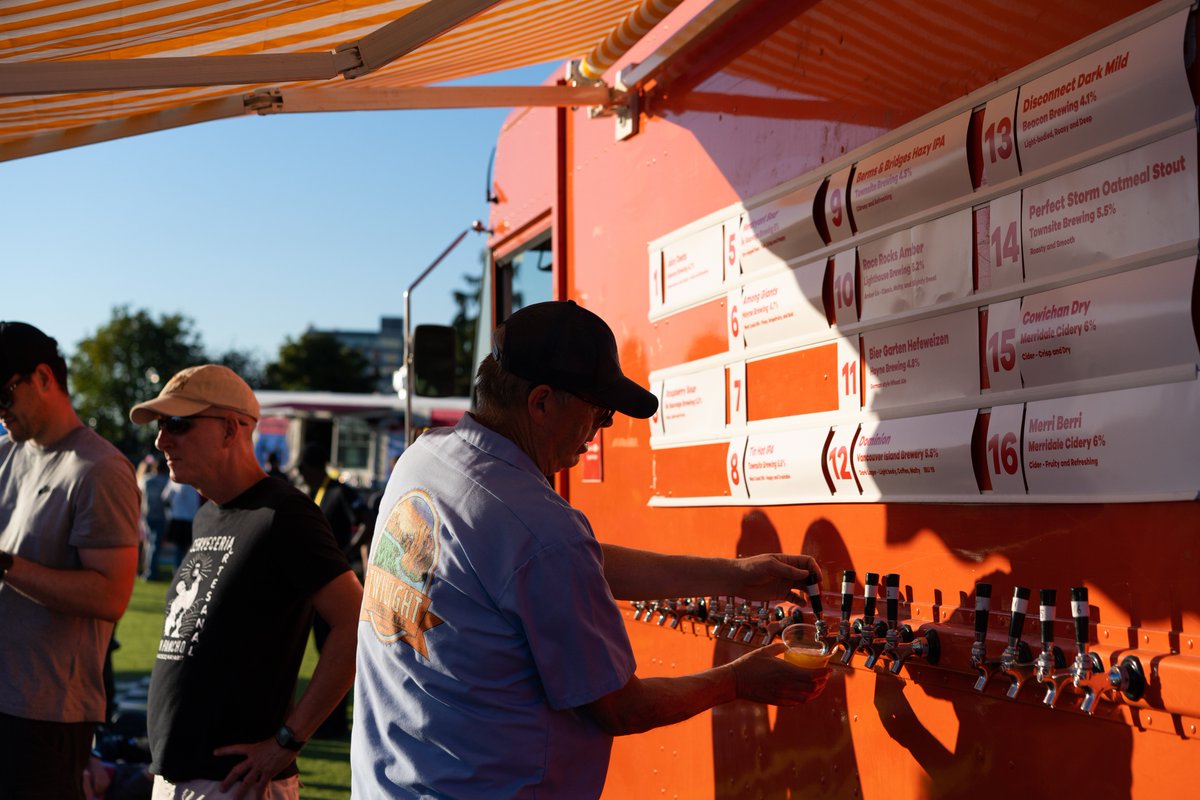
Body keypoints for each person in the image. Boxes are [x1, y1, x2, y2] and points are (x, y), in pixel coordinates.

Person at [351, 301, 831, 798]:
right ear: (540, 402)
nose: (601, 431)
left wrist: (732, 576)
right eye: (599, 413)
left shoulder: (426, 458)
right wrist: (737, 681)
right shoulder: (539, 530)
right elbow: (623, 708)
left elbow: (561, 566)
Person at [128, 364, 363, 799]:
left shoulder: (284, 514)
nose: (162, 440)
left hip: (234, 784)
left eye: (178, 423)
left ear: (232, 429)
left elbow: (356, 623)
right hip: (178, 778)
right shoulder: (206, 515)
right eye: (161, 426)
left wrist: (287, 742)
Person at [0, 321, 141, 800]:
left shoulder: (99, 468)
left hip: (44, 714)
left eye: (4, 394)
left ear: (43, 377)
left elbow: (112, 595)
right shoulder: (5, 453)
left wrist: (7, 566)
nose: (0, 412)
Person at [295, 442, 364, 739]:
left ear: (313, 468)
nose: (302, 475)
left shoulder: (339, 491)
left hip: (339, 582)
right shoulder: (313, 494)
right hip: (316, 584)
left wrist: (345, 552)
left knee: (337, 650)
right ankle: (330, 721)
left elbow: (365, 521)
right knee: (324, 650)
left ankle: (335, 723)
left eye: (303, 470)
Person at [138, 456, 169, 580]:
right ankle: (151, 572)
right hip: (160, 515)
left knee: (149, 544)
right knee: (154, 544)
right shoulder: (166, 481)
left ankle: (148, 570)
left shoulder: (145, 480)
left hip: (146, 515)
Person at [160, 476, 200, 570]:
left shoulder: (174, 480)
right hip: (190, 517)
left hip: (178, 517)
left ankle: (178, 569)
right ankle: (183, 569)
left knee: (179, 547)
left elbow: (165, 496)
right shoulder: (193, 479)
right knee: (186, 547)